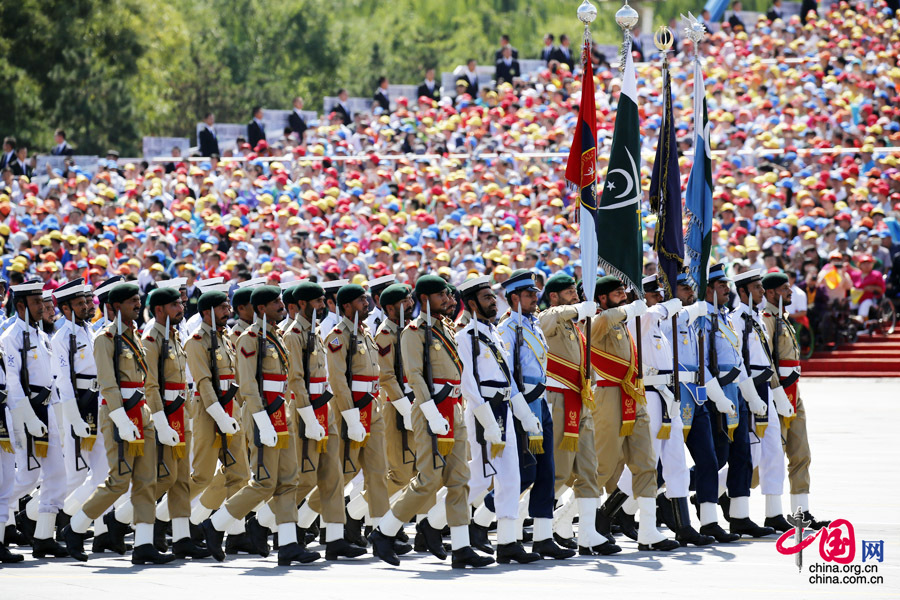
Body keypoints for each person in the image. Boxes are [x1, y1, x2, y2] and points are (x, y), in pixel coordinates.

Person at [369, 275, 492, 569]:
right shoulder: (413, 332)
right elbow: (415, 376)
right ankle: (384, 532)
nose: (448, 300)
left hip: (454, 409)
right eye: (442, 296)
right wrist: (431, 412)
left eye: (448, 295)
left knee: (459, 480)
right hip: (432, 410)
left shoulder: (444, 328)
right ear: (425, 299)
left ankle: (461, 547)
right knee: (428, 480)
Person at [200, 285, 320, 566]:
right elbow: (248, 385)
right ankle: (215, 524)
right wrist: (262, 421)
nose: (282, 306)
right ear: (262, 308)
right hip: (263, 415)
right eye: (276, 302)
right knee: (265, 483)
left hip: (282, 414)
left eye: (281, 301)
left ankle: (288, 544)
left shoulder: (275, 336)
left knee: (289, 481)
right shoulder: (250, 339)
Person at [62, 282, 176, 565]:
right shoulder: (106, 339)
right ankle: (75, 527)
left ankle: (144, 544)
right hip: (118, 414)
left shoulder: (134, 336)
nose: (137, 305)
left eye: (138, 300)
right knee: (119, 480)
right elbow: (108, 384)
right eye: (131, 301)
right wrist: (121, 420)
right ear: (115, 307)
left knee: (147, 481)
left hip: (142, 413)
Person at [616, 276, 714, 547]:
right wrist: (674, 306)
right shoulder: (639, 319)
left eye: (662, 294)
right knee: (647, 461)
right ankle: (609, 513)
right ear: (641, 297)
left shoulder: (657, 323)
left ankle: (684, 526)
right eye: (655, 294)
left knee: (676, 461)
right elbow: (652, 315)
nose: (661, 298)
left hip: (668, 396)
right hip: (649, 395)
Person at [590, 275, 679, 551]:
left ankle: (648, 531)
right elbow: (602, 322)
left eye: (623, 292)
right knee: (602, 467)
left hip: (633, 394)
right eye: (617, 293)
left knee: (646, 463)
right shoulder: (597, 320)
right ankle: (568, 523)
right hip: (608, 396)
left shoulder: (624, 321)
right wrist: (631, 308)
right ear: (602, 298)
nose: (623, 295)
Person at [456, 275, 540, 564]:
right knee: (481, 478)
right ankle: (434, 522)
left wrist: (525, 415)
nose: (493, 301)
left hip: (504, 408)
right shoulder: (465, 337)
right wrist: (488, 422)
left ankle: (507, 542)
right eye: (486, 298)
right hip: (484, 411)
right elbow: (468, 384)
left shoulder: (492, 333)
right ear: (471, 304)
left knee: (510, 477)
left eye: (493, 296)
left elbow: (509, 381)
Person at [497, 270, 575, 559]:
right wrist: (522, 411)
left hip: (541, 404)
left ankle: (543, 537)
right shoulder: (507, 329)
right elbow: (507, 376)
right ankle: (486, 524)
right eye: (529, 294)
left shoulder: (533, 324)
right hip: (522, 406)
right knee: (522, 473)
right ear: (514, 297)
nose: (535, 298)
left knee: (545, 472)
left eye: (535, 293)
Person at [538, 273, 615, 555]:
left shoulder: (575, 326)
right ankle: (525, 524)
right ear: (554, 296)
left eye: (575, 291)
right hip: (558, 399)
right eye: (569, 292)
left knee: (589, 470)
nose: (575, 295)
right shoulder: (549, 318)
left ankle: (587, 533)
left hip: (580, 400)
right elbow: (549, 317)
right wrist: (579, 308)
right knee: (557, 471)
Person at [286, 282, 361, 559]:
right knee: (303, 479)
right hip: (304, 411)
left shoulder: (315, 331)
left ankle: (336, 538)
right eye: (317, 301)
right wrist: (309, 418)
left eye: (322, 300)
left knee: (333, 476)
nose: (322, 305)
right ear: (302, 304)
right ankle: (269, 524)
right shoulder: (293, 335)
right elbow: (296, 380)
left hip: (324, 409)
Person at [700, 264, 774, 539]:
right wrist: (718, 397)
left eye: (727, 285)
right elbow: (701, 363)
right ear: (707, 289)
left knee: (742, 457)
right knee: (715, 459)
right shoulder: (702, 319)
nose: (726, 289)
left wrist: (752, 397)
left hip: (736, 396)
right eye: (721, 285)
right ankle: (682, 502)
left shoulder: (726, 318)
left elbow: (739, 362)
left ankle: (740, 517)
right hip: (715, 397)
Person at [184, 287, 252, 553]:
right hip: (207, 411)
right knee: (202, 476)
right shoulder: (196, 341)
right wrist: (220, 416)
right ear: (207, 312)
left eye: (228, 307)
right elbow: (203, 383)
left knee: (240, 475)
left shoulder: (225, 338)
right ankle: (164, 519)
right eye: (223, 308)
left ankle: (236, 533)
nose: (228, 311)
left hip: (230, 409)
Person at [2, 280, 67, 558]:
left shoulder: (40, 334)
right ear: (21, 306)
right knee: (26, 478)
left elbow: (52, 378)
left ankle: (43, 536)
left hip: (47, 410)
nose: (42, 307)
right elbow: (12, 382)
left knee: (57, 475)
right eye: (36, 302)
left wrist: (60, 415)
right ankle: (4, 522)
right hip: (26, 412)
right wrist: (26, 417)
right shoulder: (12, 337)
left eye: (43, 301)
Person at [673, 273, 738, 543]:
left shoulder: (692, 320)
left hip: (697, 395)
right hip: (673, 397)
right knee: (664, 466)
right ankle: (620, 510)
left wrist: (718, 396)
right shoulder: (665, 318)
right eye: (684, 288)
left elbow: (701, 365)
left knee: (709, 460)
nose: (691, 293)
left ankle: (709, 522)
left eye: (692, 288)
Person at [761, 272, 830, 529]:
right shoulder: (767, 319)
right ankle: (723, 491)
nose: (790, 292)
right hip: (777, 394)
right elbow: (766, 360)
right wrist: (777, 393)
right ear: (770, 293)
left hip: (794, 392)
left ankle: (801, 513)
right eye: (784, 289)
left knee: (801, 453)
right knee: (766, 457)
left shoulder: (783, 318)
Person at [322, 283, 385, 558]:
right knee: (341, 474)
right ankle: (328, 533)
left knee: (378, 471)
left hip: (372, 408)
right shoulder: (338, 336)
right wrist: (351, 417)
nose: (366, 303)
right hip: (350, 411)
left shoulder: (365, 332)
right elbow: (338, 380)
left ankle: (383, 534)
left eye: (366, 299)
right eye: (360, 300)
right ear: (346, 306)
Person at [732, 270, 793, 532]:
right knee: (751, 454)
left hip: (765, 387)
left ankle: (774, 512)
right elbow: (737, 361)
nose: (760, 291)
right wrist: (752, 397)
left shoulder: (756, 317)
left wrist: (777, 393)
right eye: (756, 287)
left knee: (773, 451)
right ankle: (730, 507)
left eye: (760, 287)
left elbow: (766, 359)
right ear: (742, 291)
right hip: (749, 391)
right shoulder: (736, 319)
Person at [50, 280, 104, 545]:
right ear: (65, 309)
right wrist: (74, 418)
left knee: (103, 473)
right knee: (76, 475)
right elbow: (63, 381)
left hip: (97, 403)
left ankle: (93, 527)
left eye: (86, 302)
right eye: (80, 303)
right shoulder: (62, 338)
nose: (86, 306)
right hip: (79, 407)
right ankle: (44, 517)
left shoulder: (89, 331)